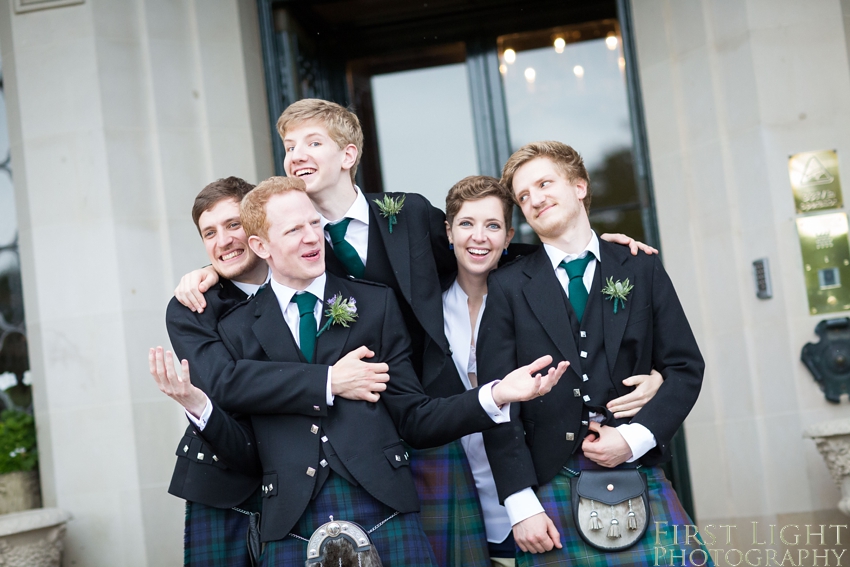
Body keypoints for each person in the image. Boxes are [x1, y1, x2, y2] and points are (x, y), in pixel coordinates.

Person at [171, 99, 656, 565]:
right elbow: (251, 259)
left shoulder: (408, 214)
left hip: (429, 414)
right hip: (345, 441)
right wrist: (209, 272)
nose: (296, 154)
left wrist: (589, 246)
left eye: (311, 142)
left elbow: (477, 248)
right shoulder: (281, 251)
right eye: (289, 146)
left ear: (348, 155)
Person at [155, 176, 570, 566]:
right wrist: (197, 403)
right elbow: (244, 441)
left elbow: (415, 418)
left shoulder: (375, 304)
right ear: (261, 246)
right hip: (288, 523)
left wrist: (495, 394)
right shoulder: (236, 327)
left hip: (384, 509)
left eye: (314, 224)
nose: (312, 237)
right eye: (293, 231)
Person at [478, 141, 709, 566]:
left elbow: (684, 367)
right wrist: (519, 503)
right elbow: (497, 403)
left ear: (579, 186)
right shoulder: (508, 286)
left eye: (544, 183)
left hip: (638, 470)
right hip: (549, 488)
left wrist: (634, 438)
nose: (534, 199)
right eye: (523, 196)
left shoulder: (639, 266)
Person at [416, 175, 663, 567]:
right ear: (449, 231)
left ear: (509, 235)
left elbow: (597, 347)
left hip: (538, 490)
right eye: (466, 224)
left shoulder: (535, 288)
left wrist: (604, 247)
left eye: (492, 226)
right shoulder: (420, 305)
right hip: (457, 492)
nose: (479, 237)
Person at [149, 176, 269, 567]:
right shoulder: (193, 306)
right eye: (209, 233)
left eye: (234, 224)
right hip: (225, 483)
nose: (223, 241)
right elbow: (224, 387)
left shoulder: (304, 281)